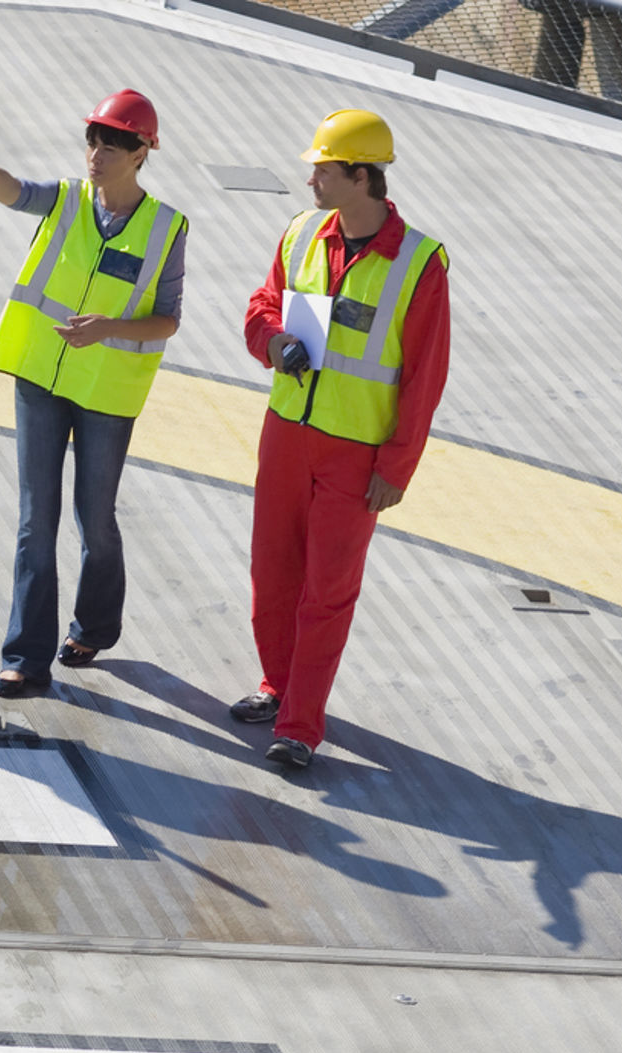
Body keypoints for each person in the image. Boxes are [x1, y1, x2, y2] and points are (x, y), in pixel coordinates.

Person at [0, 91, 188, 701]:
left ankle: (95, 626)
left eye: (111, 145)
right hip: (41, 382)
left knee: (95, 520)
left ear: (141, 153)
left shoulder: (166, 229)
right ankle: (25, 658)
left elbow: (167, 320)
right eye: (92, 142)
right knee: (35, 520)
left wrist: (107, 328)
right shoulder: (68, 201)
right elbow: (17, 191)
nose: (96, 155)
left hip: (106, 393)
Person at [235, 108, 452, 773]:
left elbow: (425, 376)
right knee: (272, 571)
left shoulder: (420, 263)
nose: (312, 183)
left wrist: (399, 466)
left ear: (363, 177)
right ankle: (278, 686)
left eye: (323, 171)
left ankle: (300, 725)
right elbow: (261, 306)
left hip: (356, 454)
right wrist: (272, 341)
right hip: (288, 433)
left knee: (325, 591)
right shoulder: (302, 235)